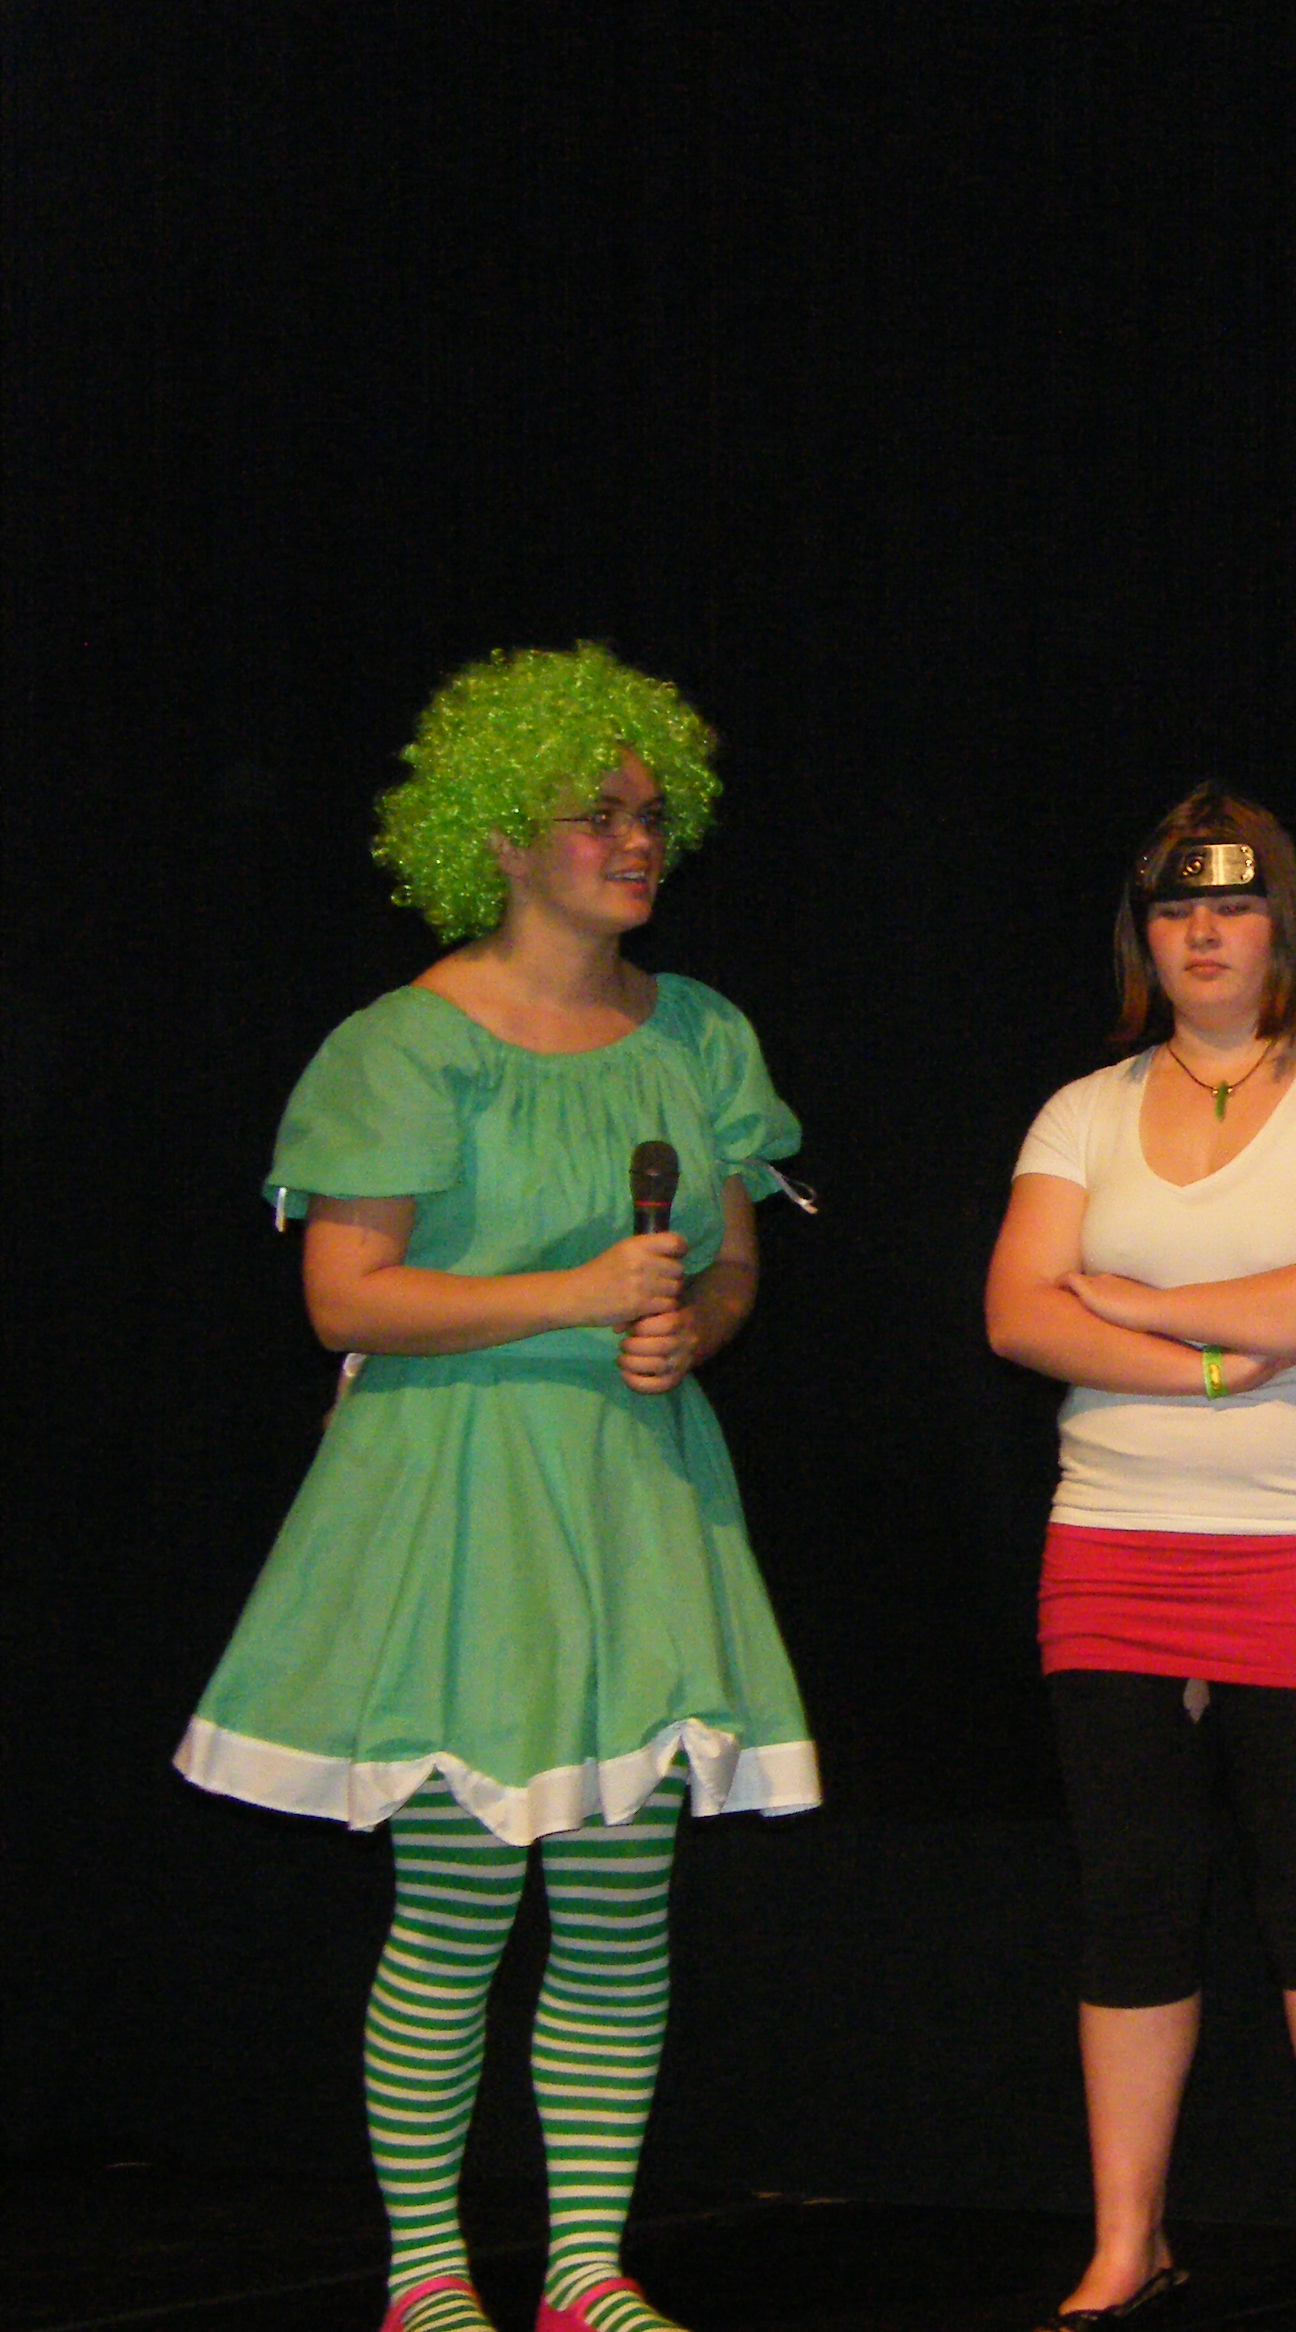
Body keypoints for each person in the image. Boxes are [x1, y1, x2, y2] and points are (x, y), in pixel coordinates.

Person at [176, 643, 818, 2332]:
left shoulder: (697, 1033)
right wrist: (575, 1294)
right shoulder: (406, 1045)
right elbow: (346, 1300)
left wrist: (690, 1325)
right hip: (460, 1497)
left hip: (630, 1495)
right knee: (456, 1911)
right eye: (596, 812)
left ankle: (587, 2271)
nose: (636, 838)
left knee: (618, 1908)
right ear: (500, 837)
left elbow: (731, 1266)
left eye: (652, 812)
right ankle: (426, 2276)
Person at [985, 783, 1296, 2332]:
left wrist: (1137, 1306)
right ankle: (1129, 2243)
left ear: (1281, 924)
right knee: (1133, 1901)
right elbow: (1019, 1314)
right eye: (1177, 908)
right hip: (1112, 1549)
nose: (1206, 933)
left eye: (1234, 905)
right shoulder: (1081, 1111)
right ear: (1145, 935)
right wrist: (1224, 1363)